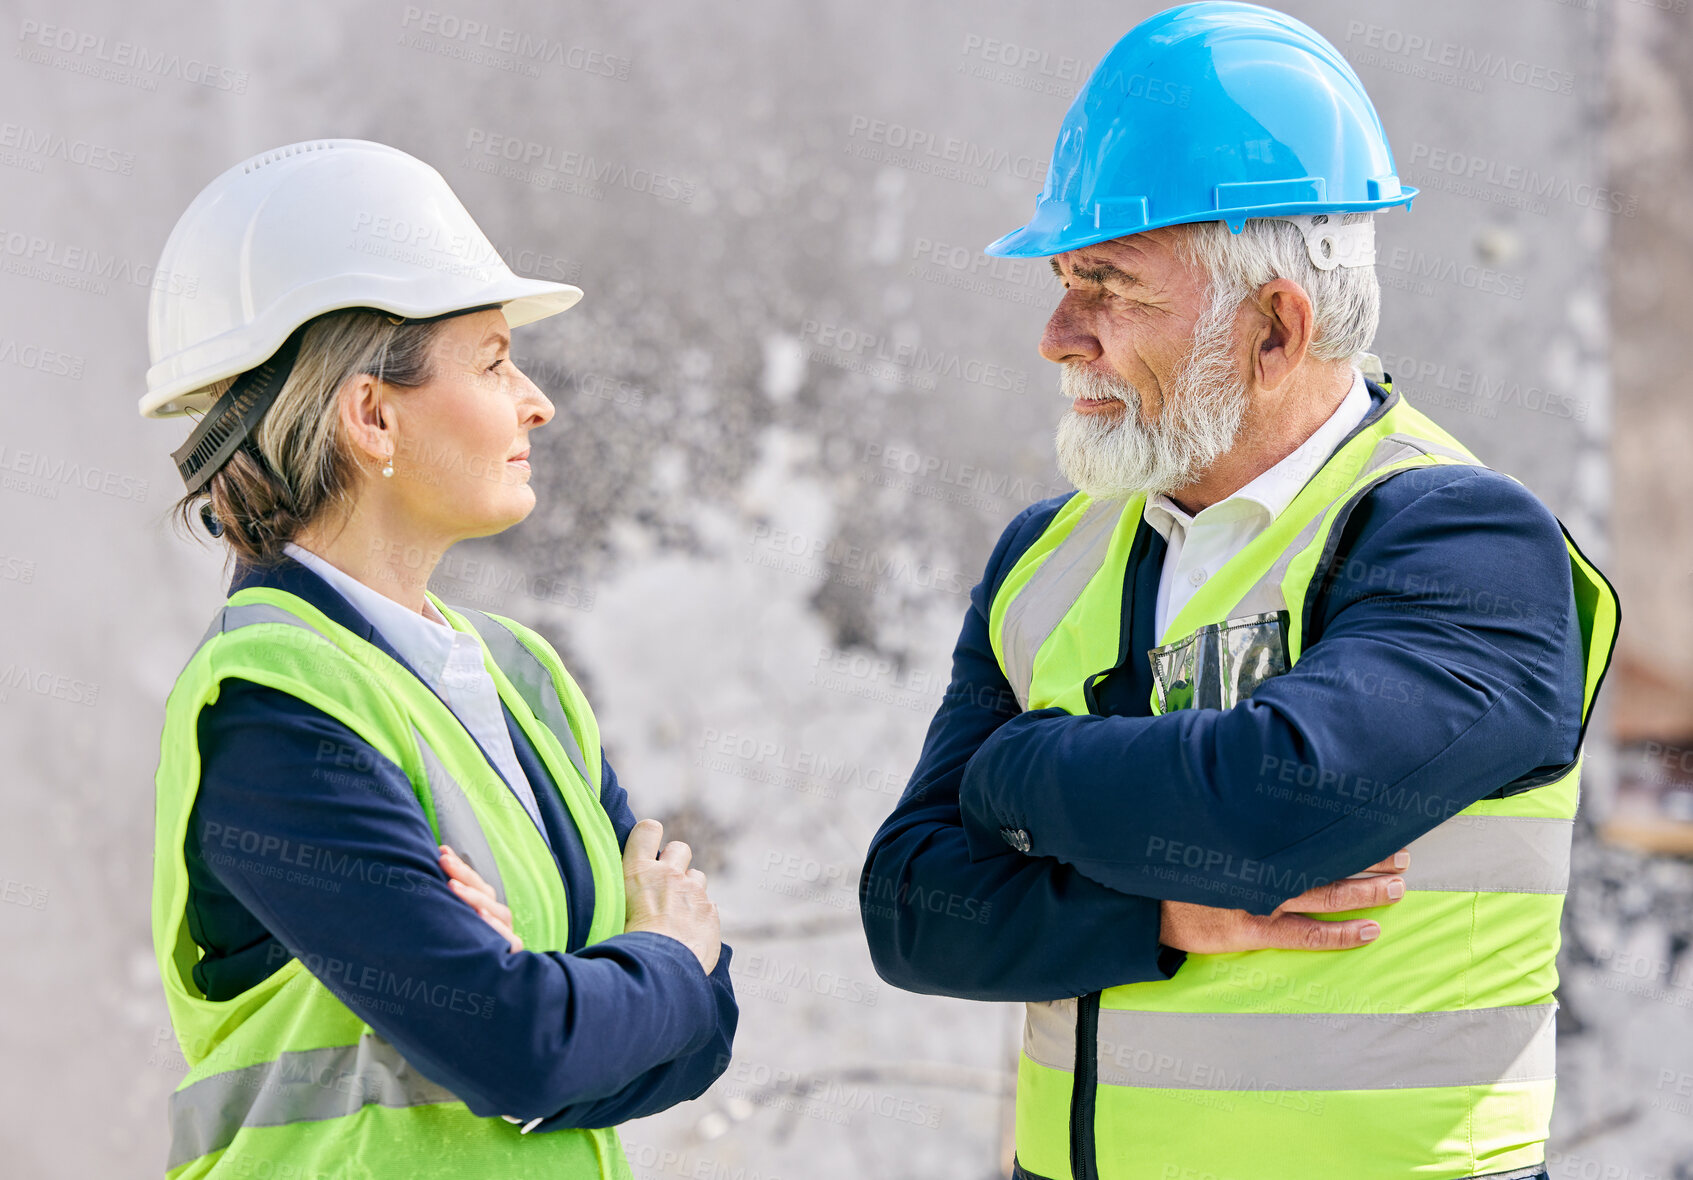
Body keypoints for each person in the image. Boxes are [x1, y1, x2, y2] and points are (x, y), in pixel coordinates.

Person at [859, 5, 1619, 1180]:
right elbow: (910, 907)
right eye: (1065, 282)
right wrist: (1149, 917)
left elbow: (1261, 812)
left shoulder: (1467, 542)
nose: (1059, 335)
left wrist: (1013, 774)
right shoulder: (1046, 556)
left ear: (1277, 325)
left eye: (1108, 286)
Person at [145, 139, 735, 1179]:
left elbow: (703, 1030)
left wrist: (569, 998)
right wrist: (662, 956)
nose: (536, 400)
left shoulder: (523, 677)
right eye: (496, 359)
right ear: (371, 414)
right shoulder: (270, 710)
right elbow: (518, 1043)